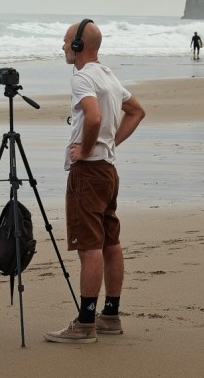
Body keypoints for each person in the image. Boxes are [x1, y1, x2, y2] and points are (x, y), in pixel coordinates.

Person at [45, 19, 146, 344]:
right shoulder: (109, 76)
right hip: (108, 171)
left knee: (89, 247)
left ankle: (86, 323)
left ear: (78, 46)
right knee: (109, 243)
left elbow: (94, 116)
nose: (62, 46)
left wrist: (85, 150)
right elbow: (137, 111)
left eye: (65, 41)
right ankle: (110, 316)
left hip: (89, 173)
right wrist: (110, 144)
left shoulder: (83, 78)